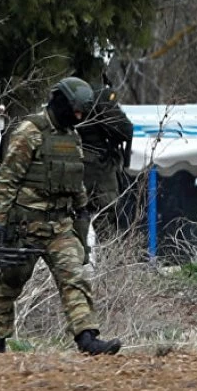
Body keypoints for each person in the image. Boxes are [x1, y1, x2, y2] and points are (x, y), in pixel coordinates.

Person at [0, 77, 121, 355]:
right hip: (26, 225)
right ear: (61, 103)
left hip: (60, 226)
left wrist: (81, 211)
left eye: (83, 112)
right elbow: (7, 178)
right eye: (76, 110)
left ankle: (87, 338)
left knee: (74, 277)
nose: (79, 117)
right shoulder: (29, 132)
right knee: (11, 281)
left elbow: (76, 180)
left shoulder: (72, 137)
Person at [73, 83, 133, 260]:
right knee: (108, 225)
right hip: (100, 171)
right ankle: (111, 272)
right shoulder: (100, 96)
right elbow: (126, 130)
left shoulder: (71, 96)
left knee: (75, 221)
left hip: (75, 168)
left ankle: (77, 264)